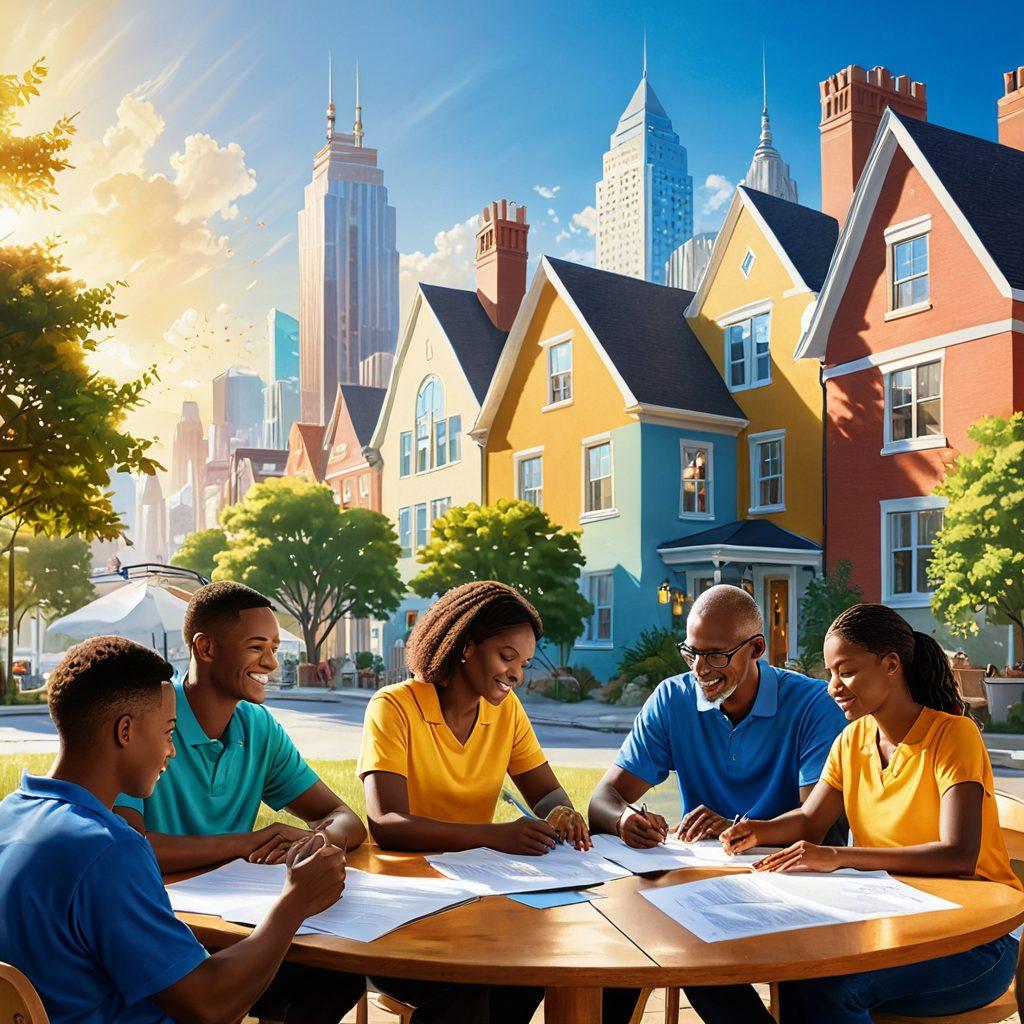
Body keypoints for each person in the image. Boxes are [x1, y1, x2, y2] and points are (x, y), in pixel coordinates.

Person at [0, 636, 350, 1024]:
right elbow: (209, 1006)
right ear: (125, 731)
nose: (172, 750)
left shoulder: (9, 813)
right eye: (168, 732)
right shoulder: (108, 851)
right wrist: (296, 901)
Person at [718, 603, 1022, 1024]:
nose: (833, 687)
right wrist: (757, 829)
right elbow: (810, 820)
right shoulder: (852, 740)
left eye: (845, 671)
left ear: (891, 664)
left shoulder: (953, 735)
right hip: (895, 923)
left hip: (975, 943)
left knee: (829, 991)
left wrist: (838, 856)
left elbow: (958, 855)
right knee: (796, 974)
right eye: (829, 673)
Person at [359, 580, 639, 1024]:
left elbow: (545, 793)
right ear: (466, 645)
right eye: (506, 657)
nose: (516, 675)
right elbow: (387, 823)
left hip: (476, 899)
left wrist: (562, 812)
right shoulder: (394, 707)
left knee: (570, 957)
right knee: (477, 987)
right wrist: (496, 836)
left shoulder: (504, 711)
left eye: (523, 664)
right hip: (405, 906)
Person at [587, 583, 847, 1022]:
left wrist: (736, 826)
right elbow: (602, 800)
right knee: (626, 933)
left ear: (756, 649)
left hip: (795, 885)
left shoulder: (812, 705)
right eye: (691, 652)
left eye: (715, 656)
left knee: (690, 941)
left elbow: (815, 824)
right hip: (705, 886)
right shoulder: (671, 700)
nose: (699, 669)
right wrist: (624, 819)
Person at [115, 581, 367, 1021]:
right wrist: (245, 843)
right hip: (160, 933)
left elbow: (344, 818)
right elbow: (125, 848)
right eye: (256, 647)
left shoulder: (258, 727)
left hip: (235, 922)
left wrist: (315, 844)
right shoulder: (148, 720)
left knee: (335, 978)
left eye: (274, 648)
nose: (272, 662)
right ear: (206, 647)